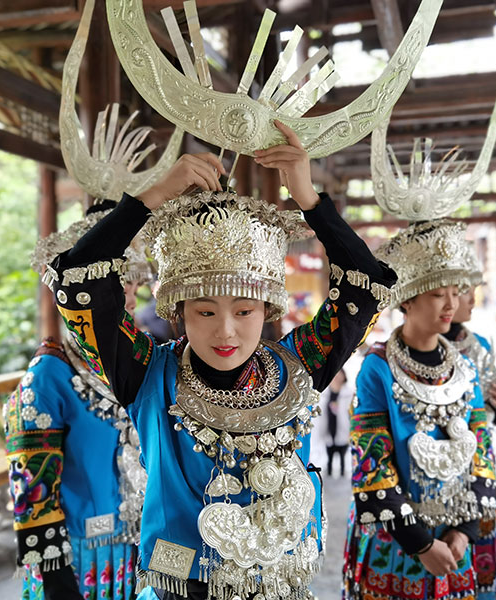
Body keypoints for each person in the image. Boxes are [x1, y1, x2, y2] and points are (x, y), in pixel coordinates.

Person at [42, 120, 396, 600]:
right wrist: (149, 198)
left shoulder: (299, 365)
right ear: (178, 312)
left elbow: (363, 286)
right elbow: (79, 283)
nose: (225, 330)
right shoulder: (146, 372)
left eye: (244, 310)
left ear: (268, 310)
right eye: (205, 311)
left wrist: (309, 199)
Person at [343, 219, 496, 600]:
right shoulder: (377, 368)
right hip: (395, 538)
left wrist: (464, 530)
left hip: (456, 540)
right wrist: (421, 544)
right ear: (408, 299)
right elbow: (372, 463)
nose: (452, 304)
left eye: (454, 292)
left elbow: (482, 448)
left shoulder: (466, 368)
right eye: (437, 294)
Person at [5, 201, 151, 600]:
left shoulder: (142, 361)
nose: (128, 297)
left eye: (131, 284)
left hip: (140, 554)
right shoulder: (49, 376)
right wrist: (56, 580)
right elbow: (31, 488)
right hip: (76, 563)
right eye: (117, 285)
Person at [444, 282, 496, 600]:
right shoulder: (393, 356)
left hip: (477, 465)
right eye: (460, 290)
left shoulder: (480, 345)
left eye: (466, 291)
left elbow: (493, 418)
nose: (469, 299)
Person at [312, 369, 353, 477]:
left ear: (344, 378)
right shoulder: (324, 395)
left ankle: (343, 473)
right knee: (330, 455)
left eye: (339, 377)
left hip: (343, 430)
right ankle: (329, 473)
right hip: (329, 430)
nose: (336, 379)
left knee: (342, 455)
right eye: (334, 377)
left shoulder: (349, 394)